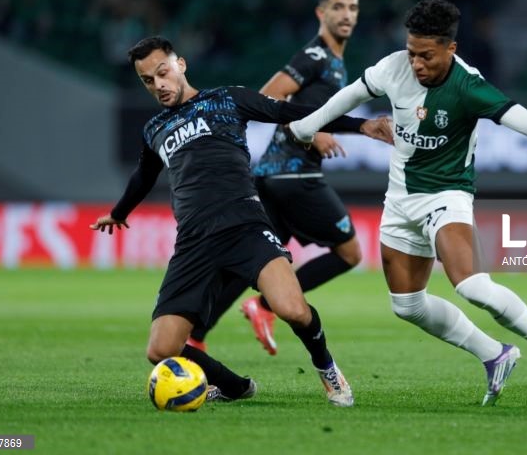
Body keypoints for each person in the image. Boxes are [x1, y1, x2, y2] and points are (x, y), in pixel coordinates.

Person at [289, 0, 527, 405]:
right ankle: (495, 354)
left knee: (472, 285)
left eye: (426, 55)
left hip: (448, 196)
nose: (417, 64)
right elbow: (346, 99)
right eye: (411, 53)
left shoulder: (469, 86)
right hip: (400, 198)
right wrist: (307, 125)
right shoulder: (392, 67)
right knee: (407, 306)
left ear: (450, 49)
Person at [90, 35, 392, 406]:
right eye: (148, 80)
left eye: (162, 72)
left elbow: (292, 114)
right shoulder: (154, 128)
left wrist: (362, 126)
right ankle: (234, 386)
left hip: (245, 227)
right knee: (160, 348)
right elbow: (143, 176)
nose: (159, 85)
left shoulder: (227, 99)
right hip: (193, 242)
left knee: (293, 310)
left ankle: (327, 368)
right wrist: (119, 213)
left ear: (180, 64)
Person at [188, 0, 365, 356]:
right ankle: (266, 306)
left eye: (352, 8)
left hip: (271, 177)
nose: (346, 14)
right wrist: (312, 132)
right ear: (321, 13)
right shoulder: (315, 57)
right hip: (295, 175)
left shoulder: (335, 61)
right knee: (349, 252)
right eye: (338, 7)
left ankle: (194, 337)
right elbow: (268, 97)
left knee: (249, 262)